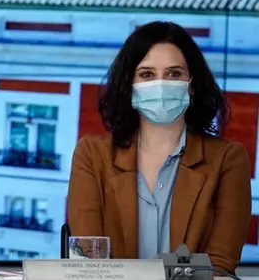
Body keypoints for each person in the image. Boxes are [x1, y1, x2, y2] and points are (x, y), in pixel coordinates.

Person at [67, 21, 252, 273]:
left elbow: (218, 268)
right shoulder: (92, 155)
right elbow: (90, 265)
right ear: (129, 85)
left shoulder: (228, 160)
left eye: (174, 74)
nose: (161, 84)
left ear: (192, 84)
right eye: (147, 74)